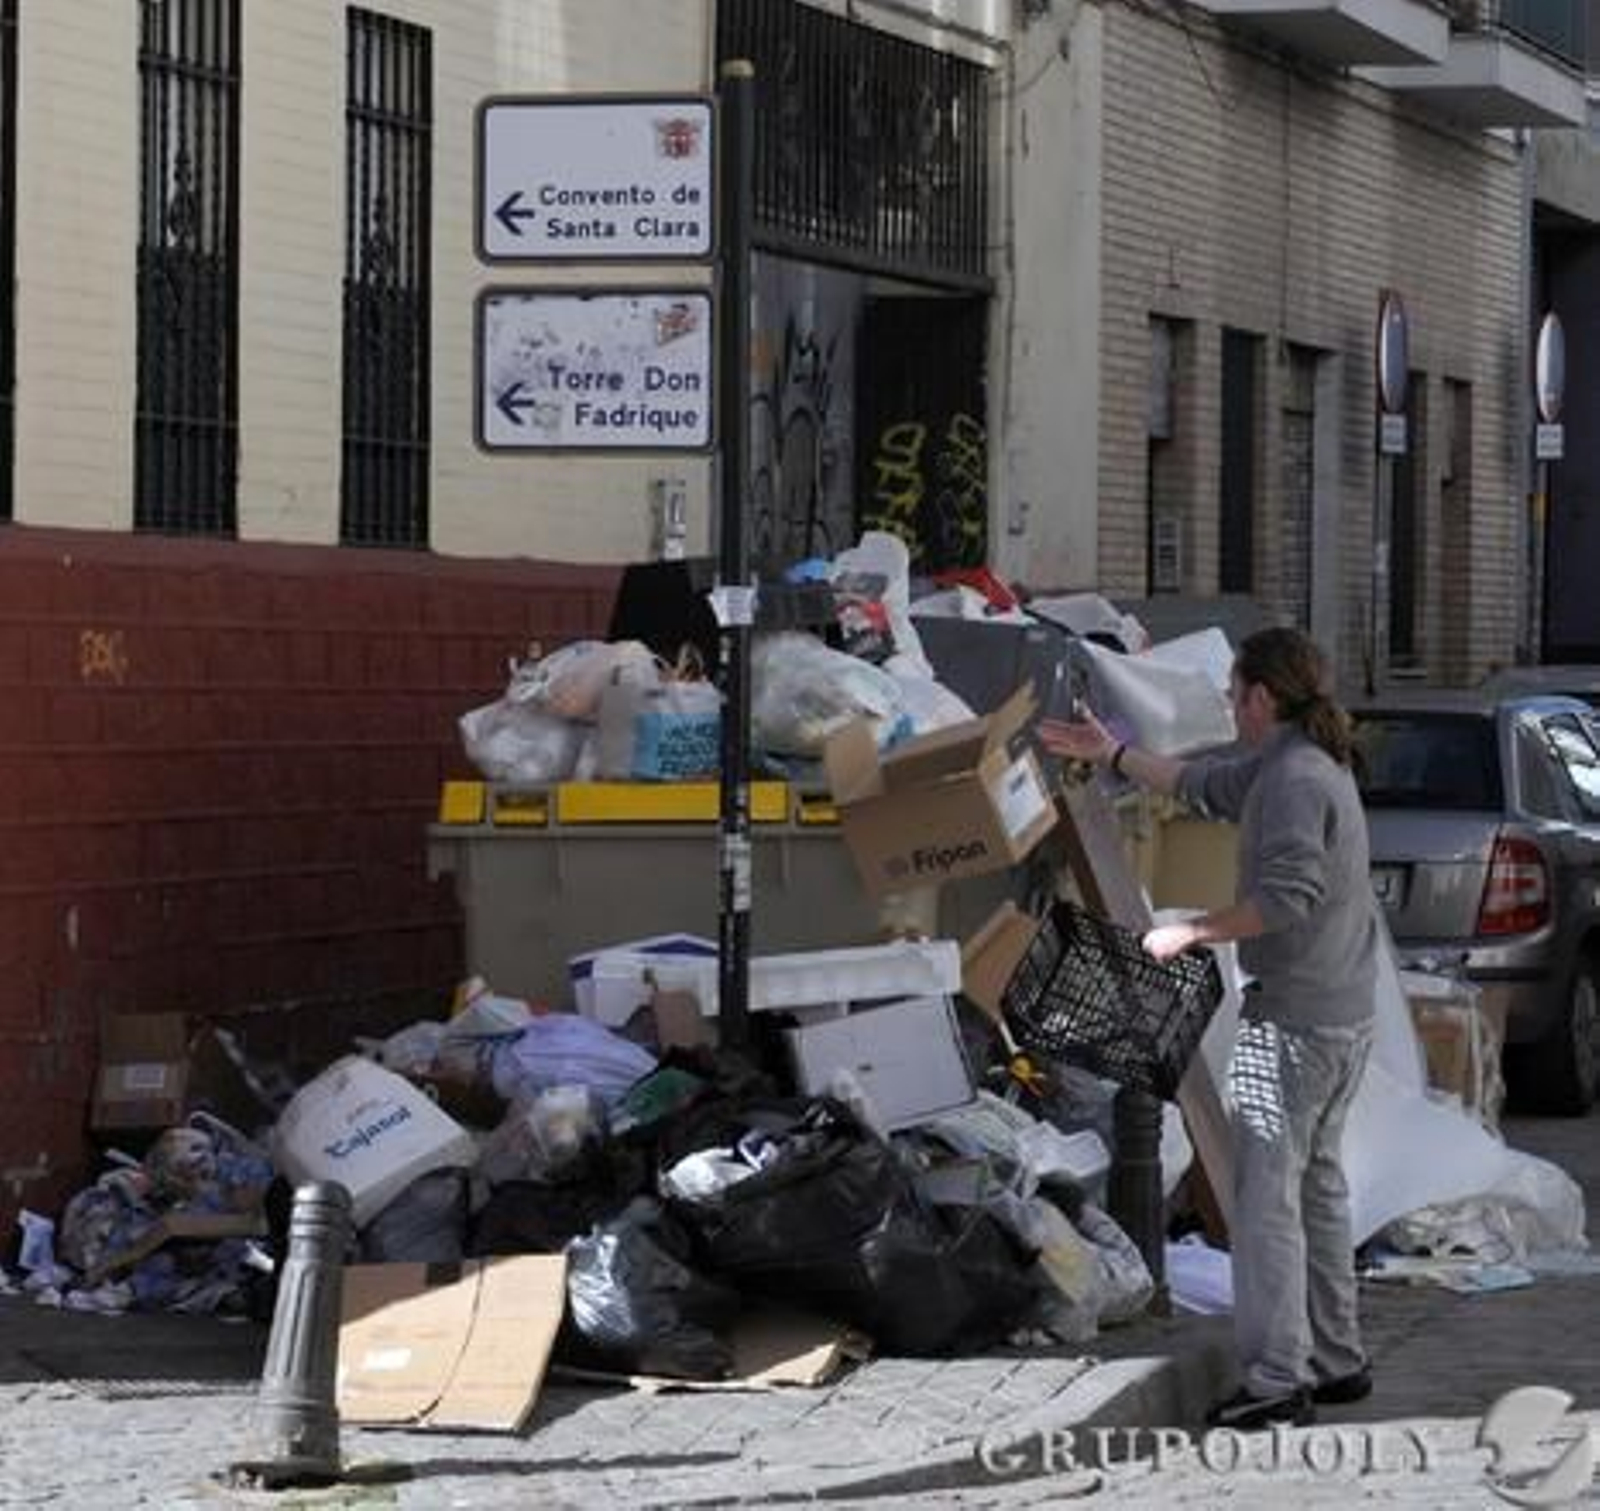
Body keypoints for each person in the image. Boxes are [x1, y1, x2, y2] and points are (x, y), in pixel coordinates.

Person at [1038, 626, 1378, 1431]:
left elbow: (1286, 896)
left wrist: (1191, 931)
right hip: (1339, 1016)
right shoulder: (1294, 763)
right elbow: (1200, 785)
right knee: (1319, 1185)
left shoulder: (1296, 781)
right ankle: (1338, 1358)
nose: (1230, 706)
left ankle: (1276, 1377)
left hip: (1292, 1021)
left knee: (1264, 1200)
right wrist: (1112, 750)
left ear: (1263, 698)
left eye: (1234, 694)